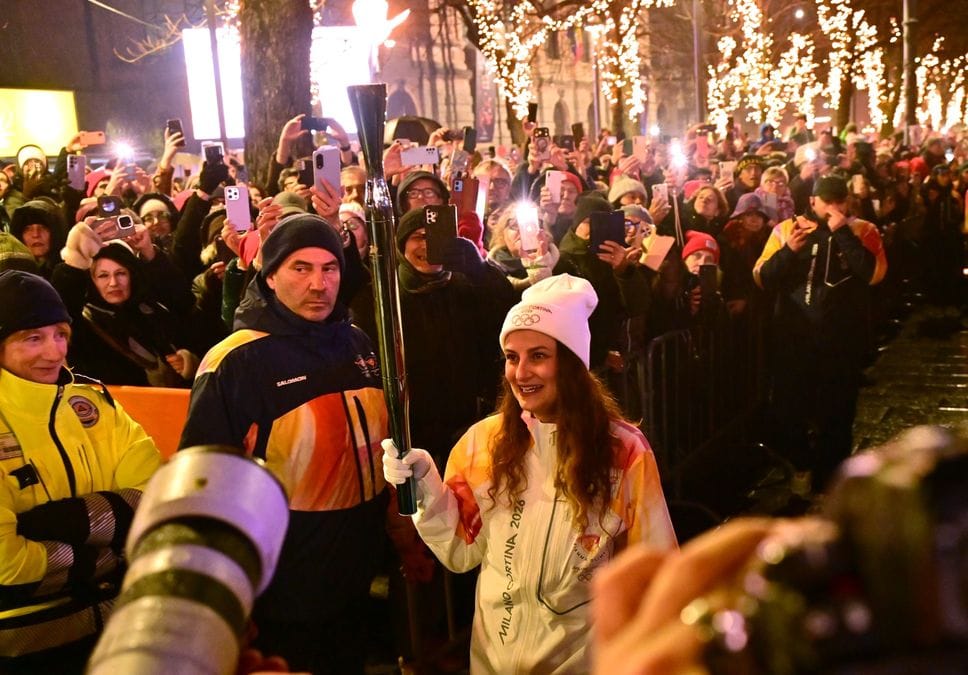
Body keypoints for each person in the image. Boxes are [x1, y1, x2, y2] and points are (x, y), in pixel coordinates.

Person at [382, 273, 677, 674]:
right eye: (511, 356)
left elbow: (651, 568)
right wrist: (424, 488)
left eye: (538, 355)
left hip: (579, 659)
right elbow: (460, 550)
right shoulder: (484, 442)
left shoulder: (622, 452)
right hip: (494, 657)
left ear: (572, 363)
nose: (521, 373)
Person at [178, 214, 390, 674]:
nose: (318, 284)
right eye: (301, 268)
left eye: (329, 269)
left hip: (355, 572)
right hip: (284, 586)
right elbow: (202, 484)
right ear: (270, 276)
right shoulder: (237, 359)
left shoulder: (356, 343)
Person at [0, 270, 161, 673]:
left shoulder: (91, 402)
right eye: (32, 338)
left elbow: (156, 499)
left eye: (59, 334)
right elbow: (6, 566)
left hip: (116, 632)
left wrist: (57, 525)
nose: (54, 353)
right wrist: (109, 552)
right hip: (24, 648)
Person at [754, 175, 887, 491]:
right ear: (812, 201)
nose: (831, 207)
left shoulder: (862, 230)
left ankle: (832, 479)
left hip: (840, 341)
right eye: (825, 200)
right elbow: (762, 277)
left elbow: (873, 273)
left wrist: (842, 233)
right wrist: (788, 250)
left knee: (837, 414)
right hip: (793, 339)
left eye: (838, 201)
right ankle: (801, 464)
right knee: (789, 410)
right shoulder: (786, 229)